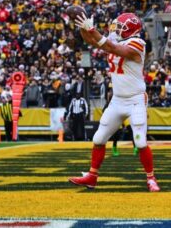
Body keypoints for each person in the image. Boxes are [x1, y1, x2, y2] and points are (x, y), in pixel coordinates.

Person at [69, 13, 160, 192]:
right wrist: (83, 26)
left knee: (140, 141)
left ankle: (151, 178)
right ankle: (92, 176)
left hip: (135, 99)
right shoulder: (116, 39)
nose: (115, 30)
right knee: (99, 138)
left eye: (120, 27)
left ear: (130, 30)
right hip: (118, 99)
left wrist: (92, 30)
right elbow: (93, 42)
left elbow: (112, 47)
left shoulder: (138, 44)